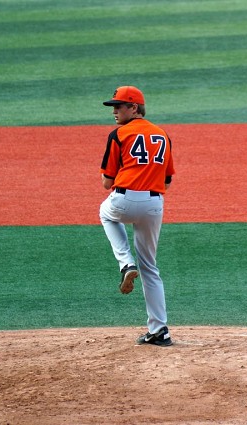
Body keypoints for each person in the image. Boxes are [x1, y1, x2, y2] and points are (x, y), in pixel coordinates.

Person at [98, 86, 176, 347]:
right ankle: (160, 330)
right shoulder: (162, 134)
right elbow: (167, 180)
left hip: (124, 199)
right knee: (150, 267)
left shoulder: (119, 134)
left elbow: (107, 182)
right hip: (154, 204)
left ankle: (125, 264)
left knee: (105, 213)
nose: (114, 111)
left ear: (134, 108)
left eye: (119, 106)